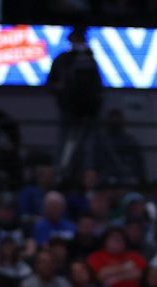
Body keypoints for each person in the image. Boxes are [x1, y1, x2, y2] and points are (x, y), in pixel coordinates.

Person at [46, 25, 103, 184]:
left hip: (89, 112)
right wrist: (62, 89)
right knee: (65, 143)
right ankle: (61, 174)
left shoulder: (91, 61)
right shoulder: (62, 60)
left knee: (88, 146)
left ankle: (87, 175)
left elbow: (97, 87)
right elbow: (50, 84)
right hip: (68, 109)